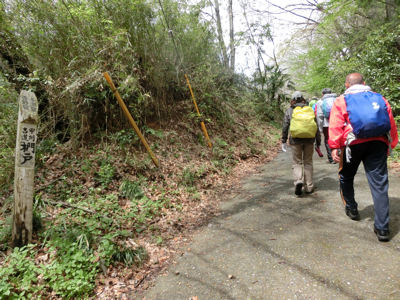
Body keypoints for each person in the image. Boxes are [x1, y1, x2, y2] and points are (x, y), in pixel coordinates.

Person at [329, 73, 398, 242]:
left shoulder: (341, 100)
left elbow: (336, 124)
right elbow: (390, 122)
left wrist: (335, 146)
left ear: (347, 85)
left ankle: (352, 208)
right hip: (378, 143)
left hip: (352, 144)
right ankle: (383, 228)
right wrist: (391, 144)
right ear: (365, 83)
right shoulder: (380, 98)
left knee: (346, 175)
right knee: (379, 184)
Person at [282, 91, 321, 196]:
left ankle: (298, 181)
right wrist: (318, 142)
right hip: (309, 140)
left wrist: (283, 140)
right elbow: (316, 127)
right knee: (308, 162)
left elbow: (285, 126)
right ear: (303, 99)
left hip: (295, 140)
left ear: (293, 100)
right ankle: (309, 187)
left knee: (297, 162)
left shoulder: (290, 110)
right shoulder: (309, 110)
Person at [316, 88, 337, 164]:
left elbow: (319, 116)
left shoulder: (320, 102)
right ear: (331, 93)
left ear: (322, 94)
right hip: (337, 123)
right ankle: (339, 156)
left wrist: (320, 128)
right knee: (336, 138)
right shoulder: (337, 99)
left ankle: (331, 158)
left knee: (327, 140)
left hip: (326, 124)